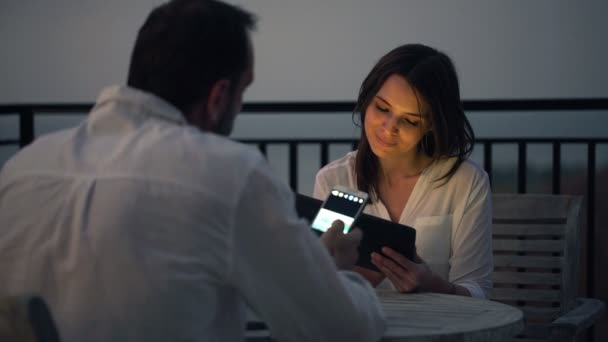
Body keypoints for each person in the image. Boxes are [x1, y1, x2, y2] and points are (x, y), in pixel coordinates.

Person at [0, 1, 385, 341]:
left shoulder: (23, 169)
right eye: (243, 91)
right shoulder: (229, 173)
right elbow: (341, 328)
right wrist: (328, 271)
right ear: (219, 97)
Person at [313, 44, 493, 299]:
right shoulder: (336, 179)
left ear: (431, 124)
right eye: (382, 108)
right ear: (367, 99)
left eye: (409, 120)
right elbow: (321, 281)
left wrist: (431, 285)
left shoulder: (465, 182)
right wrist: (359, 277)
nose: (389, 127)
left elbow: (478, 291)